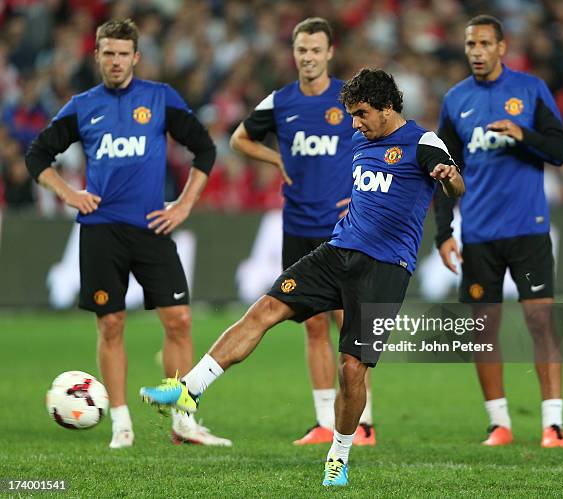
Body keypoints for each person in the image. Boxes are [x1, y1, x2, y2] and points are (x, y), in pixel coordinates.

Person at [141, 68, 464, 486]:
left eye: (362, 113)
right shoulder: (360, 138)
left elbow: (455, 184)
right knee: (265, 308)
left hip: (385, 270)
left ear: (387, 109)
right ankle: (190, 388)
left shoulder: (422, 142)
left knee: (351, 368)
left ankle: (338, 456)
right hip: (336, 251)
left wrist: (448, 178)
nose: (355, 123)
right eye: (351, 114)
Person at [25, 19, 230, 449]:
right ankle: (121, 423)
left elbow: (205, 149)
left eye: (123, 54)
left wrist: (186, 204)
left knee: (180, 320)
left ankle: (183, 421)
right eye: (108, 53)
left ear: (135, 57)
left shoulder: (159, 98)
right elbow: (38, 155)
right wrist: (66, 193)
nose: (115, 61)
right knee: (111, 324)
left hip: (152, 226)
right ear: (96, 56)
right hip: (101, 230)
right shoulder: (83, 105)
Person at [229, 17, 375, 445]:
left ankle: (364, 424)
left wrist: (361, 188)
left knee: (350, 323)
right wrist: (275, 160)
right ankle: (323, 422)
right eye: (301, 50)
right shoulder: (281, 101)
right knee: (312, 326)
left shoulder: (350, 99)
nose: (308, 57)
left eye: (315, 50)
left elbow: (382, 142)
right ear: (293, 54)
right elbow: (240, 139)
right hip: (297, 225)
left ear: (330, 53)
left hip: (344, 228)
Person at [434, 15, 563, 448]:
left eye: (484, 43)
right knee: (483, 329)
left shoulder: (530, 90)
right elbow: (441, 171)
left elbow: (560, 150)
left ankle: (553, 424)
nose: (476, 51)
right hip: (477, 234)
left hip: (527, 228)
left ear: (502, 47)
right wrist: (443, 232)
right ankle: (500, 424)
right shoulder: (456, 100)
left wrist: (522, 132)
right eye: (470, 43)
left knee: (540, 321)